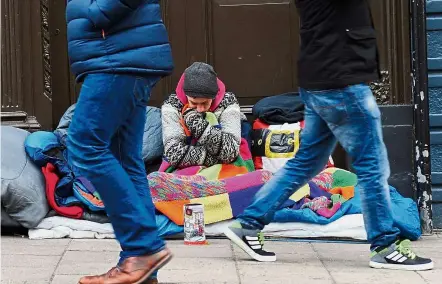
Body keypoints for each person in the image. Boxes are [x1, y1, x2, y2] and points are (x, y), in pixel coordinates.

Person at [223, 0, 434, 271]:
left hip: (320, 80)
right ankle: (385, 245)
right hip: (342, 83)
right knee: (372, 167)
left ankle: (249, 224)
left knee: (306, 163)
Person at [65, 1, 174, 283]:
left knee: (84, 144)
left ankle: (143, 249)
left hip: (116, 56)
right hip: (119, 54)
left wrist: (98, 10)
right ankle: (139, 264)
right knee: (126, 160)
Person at [161, 62, 242, 169]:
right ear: (186, 95)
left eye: (205, 103)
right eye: (193, 103)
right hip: (185, 172)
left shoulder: (228, 101)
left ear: (214, 96)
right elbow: (174, 153)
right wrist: (218, 158)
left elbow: (230, 151)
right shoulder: (171, 105)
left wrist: (194, 122)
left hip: (222, 171)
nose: (200, 109)